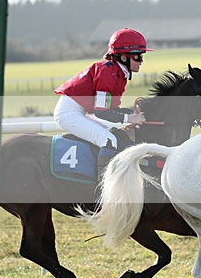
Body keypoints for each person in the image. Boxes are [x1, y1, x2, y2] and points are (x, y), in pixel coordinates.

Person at [54, 27, 151, 180]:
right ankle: (104, 186)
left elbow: (112, 109)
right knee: (108, 140)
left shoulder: (117, 73)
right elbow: (101, 112)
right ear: (123, 57)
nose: (141, 61)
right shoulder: (108, 73)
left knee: (115, 134)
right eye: (138, 57)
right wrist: (128, 118)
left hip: (78, 111)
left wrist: (132, 114)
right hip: (69, 113)